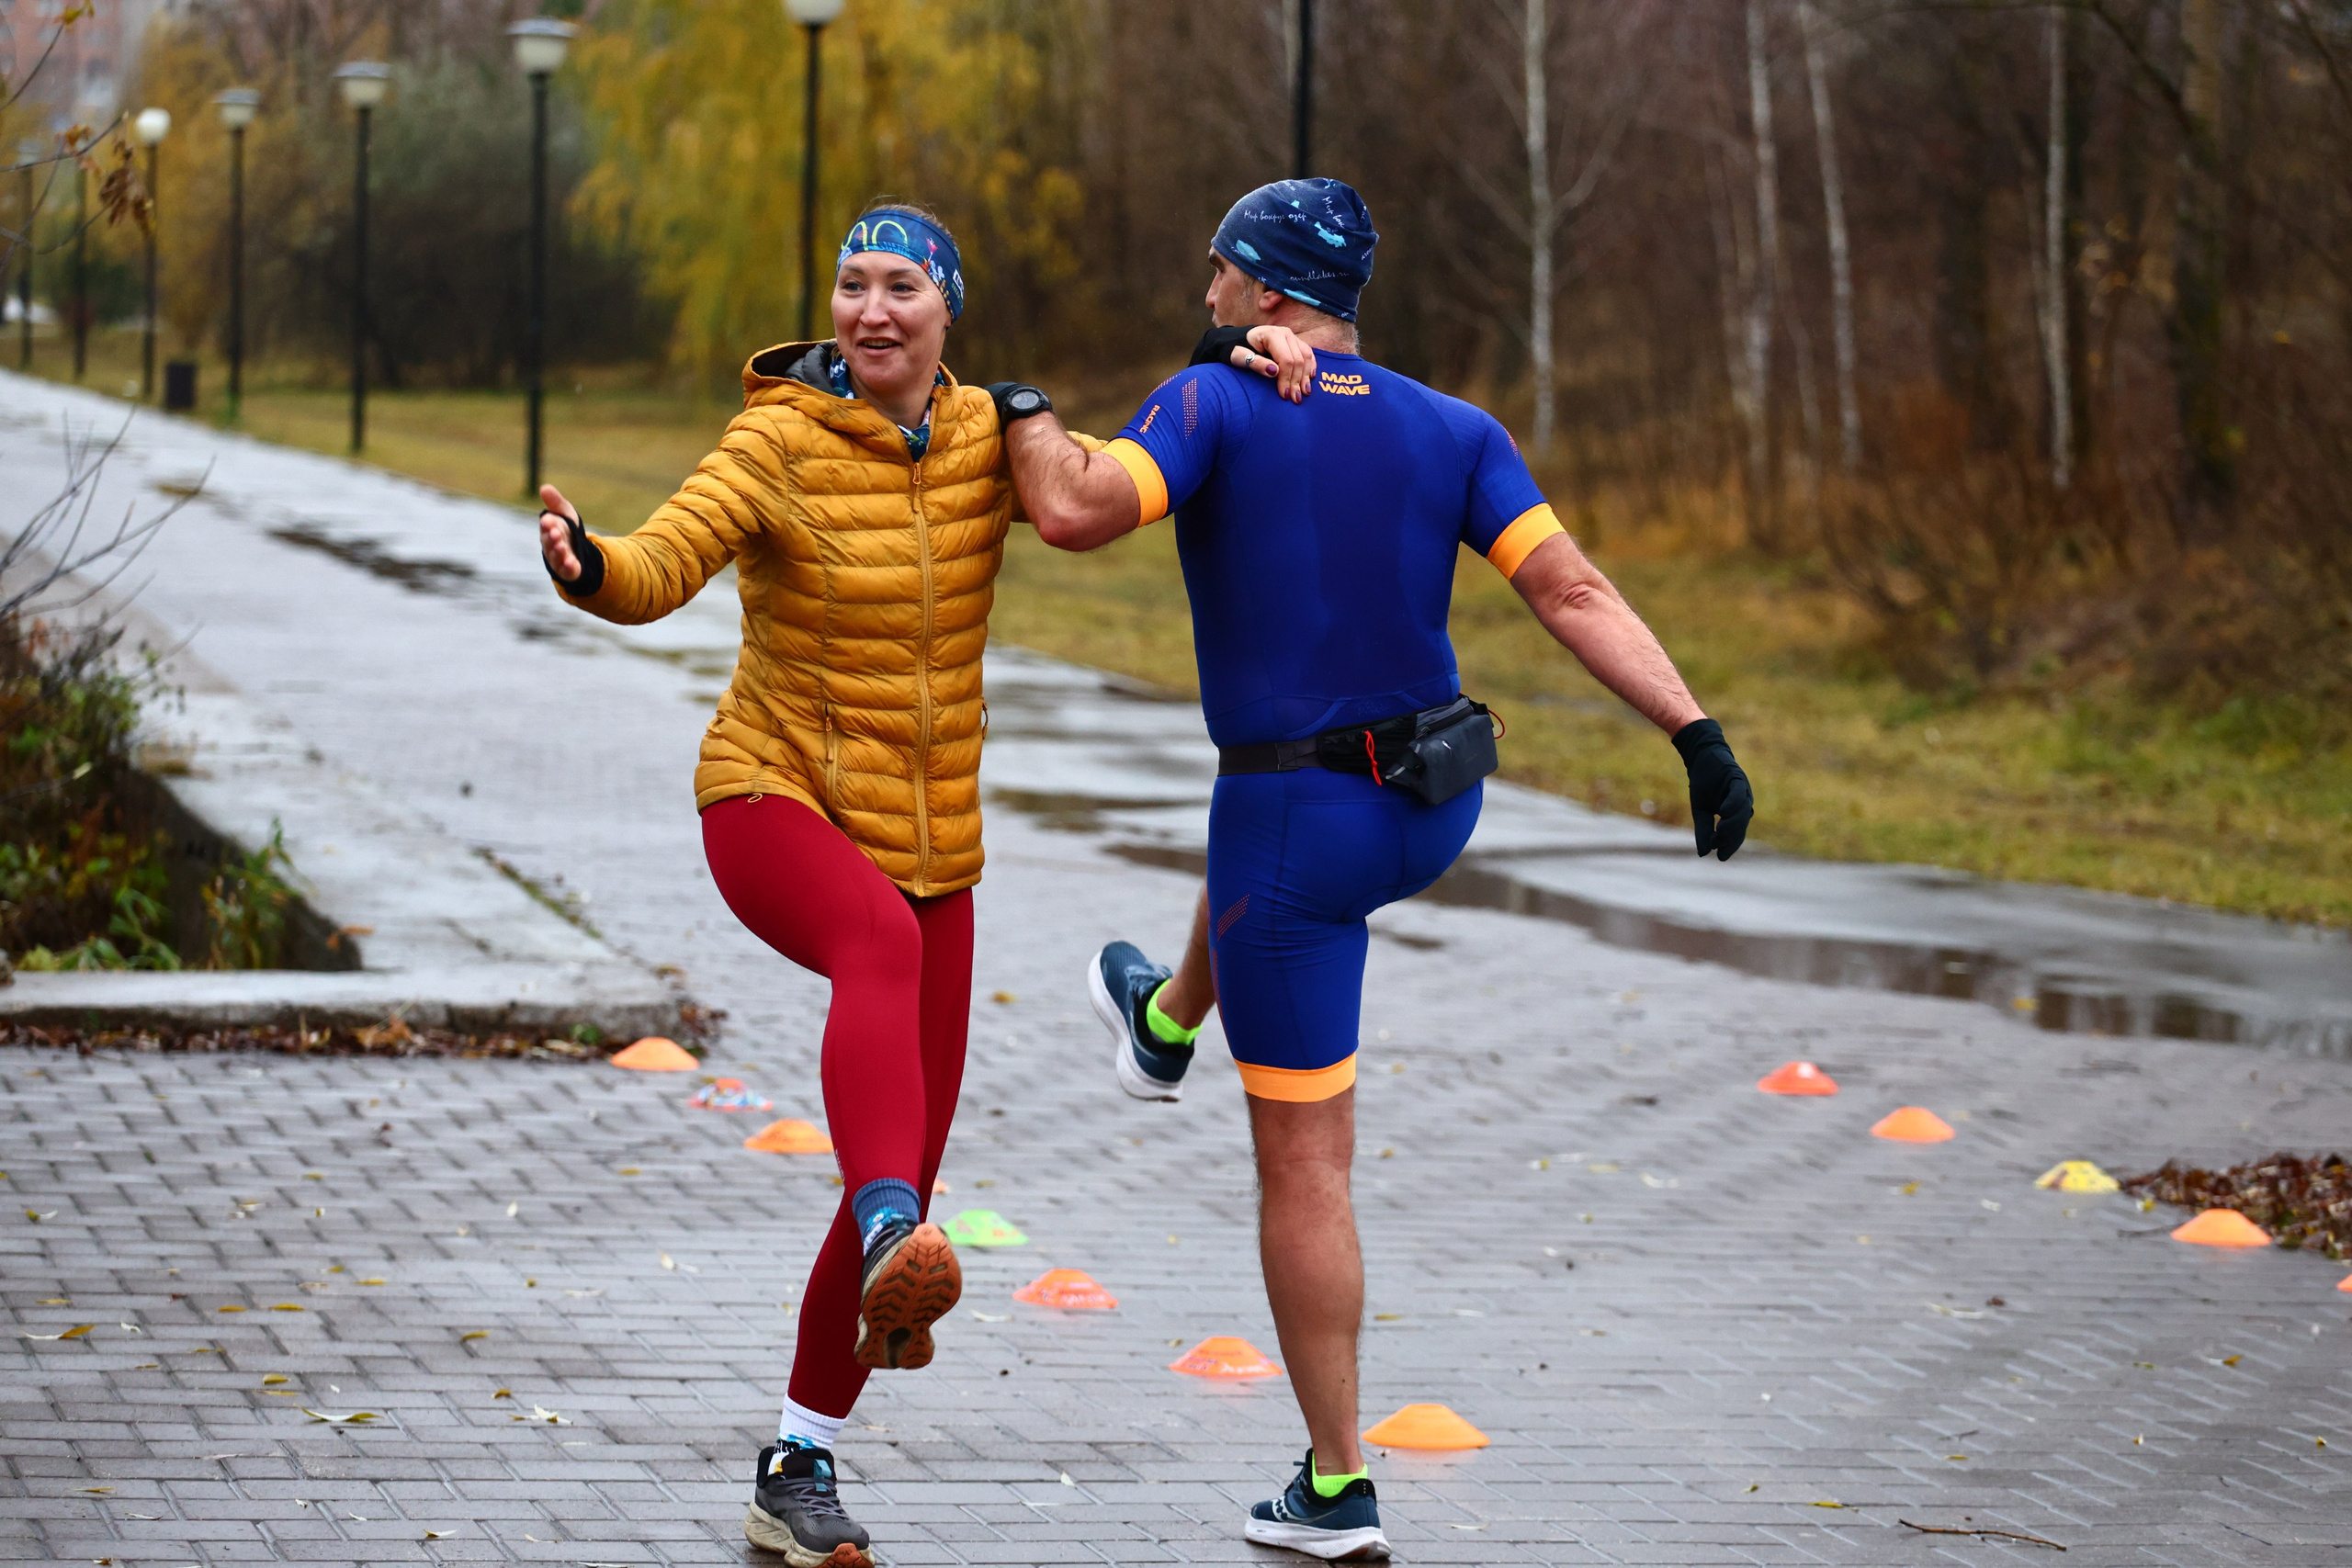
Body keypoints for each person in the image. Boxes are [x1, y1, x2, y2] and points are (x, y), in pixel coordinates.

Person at [536, 201, 1317, 1568]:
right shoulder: (775, 436)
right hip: (769, 796)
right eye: (851, 285)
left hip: (933, 843)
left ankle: (798, 1459)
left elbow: (1130, 469)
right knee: (876, 977)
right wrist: (589, 565)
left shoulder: (987, 435)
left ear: (947, 307)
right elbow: (666, 560)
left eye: (901, 285)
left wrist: (1248, 360)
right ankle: (893, 1217)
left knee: (896, 1174)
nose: (871, 310)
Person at [1000, 178, 1755, 1561]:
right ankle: (1166, 1022)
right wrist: (1695, 733)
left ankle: (1338, 1485)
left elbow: (1076, 511)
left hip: (1297, 826)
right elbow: (1571, 591)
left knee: (1307, 1163)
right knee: (1264, 877)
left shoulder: (1217, 403)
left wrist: (1023, 408)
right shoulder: (1455, 428)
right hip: (1428, 806)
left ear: (1271, 289)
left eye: (1222, 269)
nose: (1209, 289)